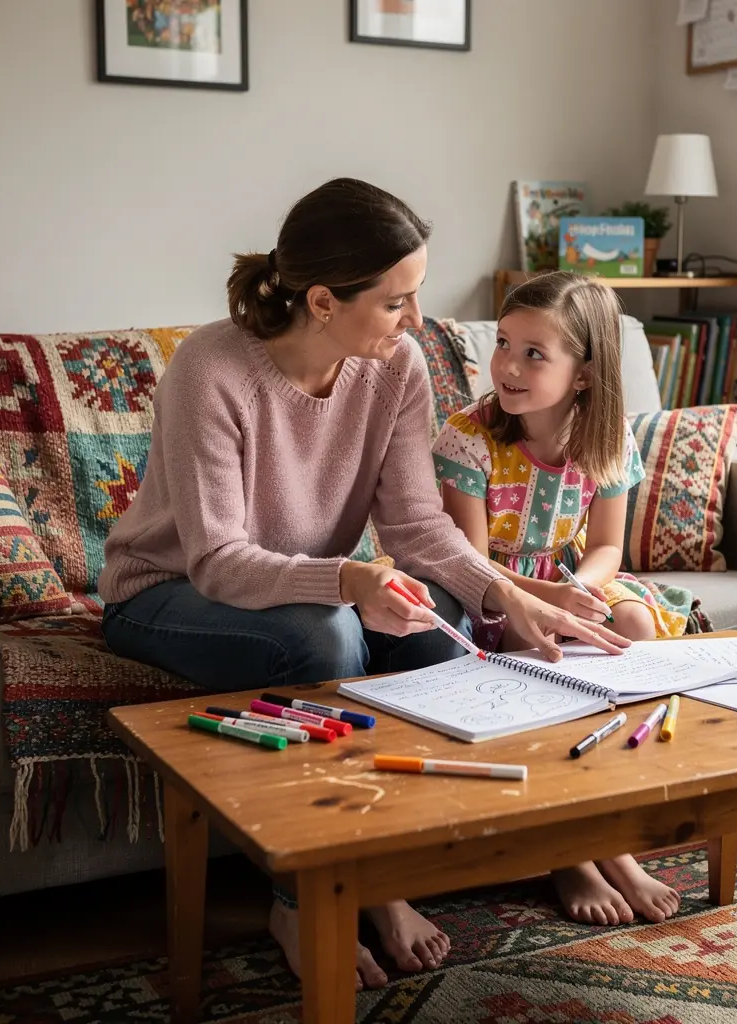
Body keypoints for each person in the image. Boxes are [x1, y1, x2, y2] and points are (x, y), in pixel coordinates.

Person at [97, 179, 632, 990]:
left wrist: (511, 598)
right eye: (398, 302)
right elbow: (217, 560)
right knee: (327, 635)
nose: (419, 321)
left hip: (305, 587)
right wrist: (349, 577)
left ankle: (394, 867)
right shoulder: (212, 369)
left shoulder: (396, 366)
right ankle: (300, 900)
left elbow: (418, 529)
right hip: (167, 594)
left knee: (441, 613)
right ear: (321, 301)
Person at [433, 270, 685, 927]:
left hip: (572, 580)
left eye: (534, 353)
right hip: (496, 589)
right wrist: (550, 600)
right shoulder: (468, 438)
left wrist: (581, 591)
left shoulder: (607, 439)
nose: (508, 366)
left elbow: (607, 548)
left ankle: (613, 833)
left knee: (633, 621)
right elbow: (472, 562)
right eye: (505, 345)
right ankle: (568, 852)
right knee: (535, 641)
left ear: (582, 374)